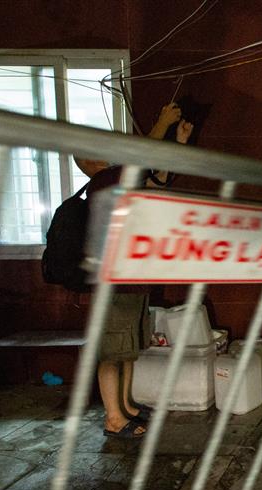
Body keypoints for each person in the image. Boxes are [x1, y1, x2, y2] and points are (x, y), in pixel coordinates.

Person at [79, 102, 194, 439]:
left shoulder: (120, 182)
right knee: (112, 352)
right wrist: (162, 121)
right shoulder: (104, 181)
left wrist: (180, 143)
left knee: (128, 349)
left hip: (131, 280)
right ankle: (113, 418)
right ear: (89, 161)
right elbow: (140, 158)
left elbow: (157, 183)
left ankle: (126, 405)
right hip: (113, 285)